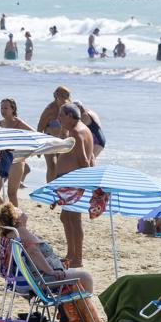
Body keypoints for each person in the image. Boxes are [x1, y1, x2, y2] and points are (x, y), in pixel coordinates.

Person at [0, 203, 94, 294]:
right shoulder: (20, 232)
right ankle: (84, 312)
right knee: (86, 277)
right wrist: (50, 271)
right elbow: (33, 252)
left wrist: (54, 261)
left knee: (74, 274)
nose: (20, 209)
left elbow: (29, 259)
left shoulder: (10, 235)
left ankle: (72, 311)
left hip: (21, 282)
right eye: (17, 210)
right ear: (16, 220)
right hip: (35, 282)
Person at [55, 103, 95, 269]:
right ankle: (71, 254)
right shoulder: (80, 129)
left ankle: (76, 257)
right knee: (66, 217)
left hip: (74, 180)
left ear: (70, 116)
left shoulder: (77, 132)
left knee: (73, 218)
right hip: (69, 179)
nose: (58, 119)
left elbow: (84, 160)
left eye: (61, 115)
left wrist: (88, 183)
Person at [0, 98, 34, 207]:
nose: (3, 110)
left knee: (11, 194)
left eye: (6, 108)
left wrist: (25, 150)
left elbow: (34, 135)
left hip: (16, 161)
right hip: (2, 160)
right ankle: (8, 214)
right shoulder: (1, 123)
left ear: (12, 109)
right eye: (1, 108)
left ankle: (16, 220)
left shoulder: (18, 123)